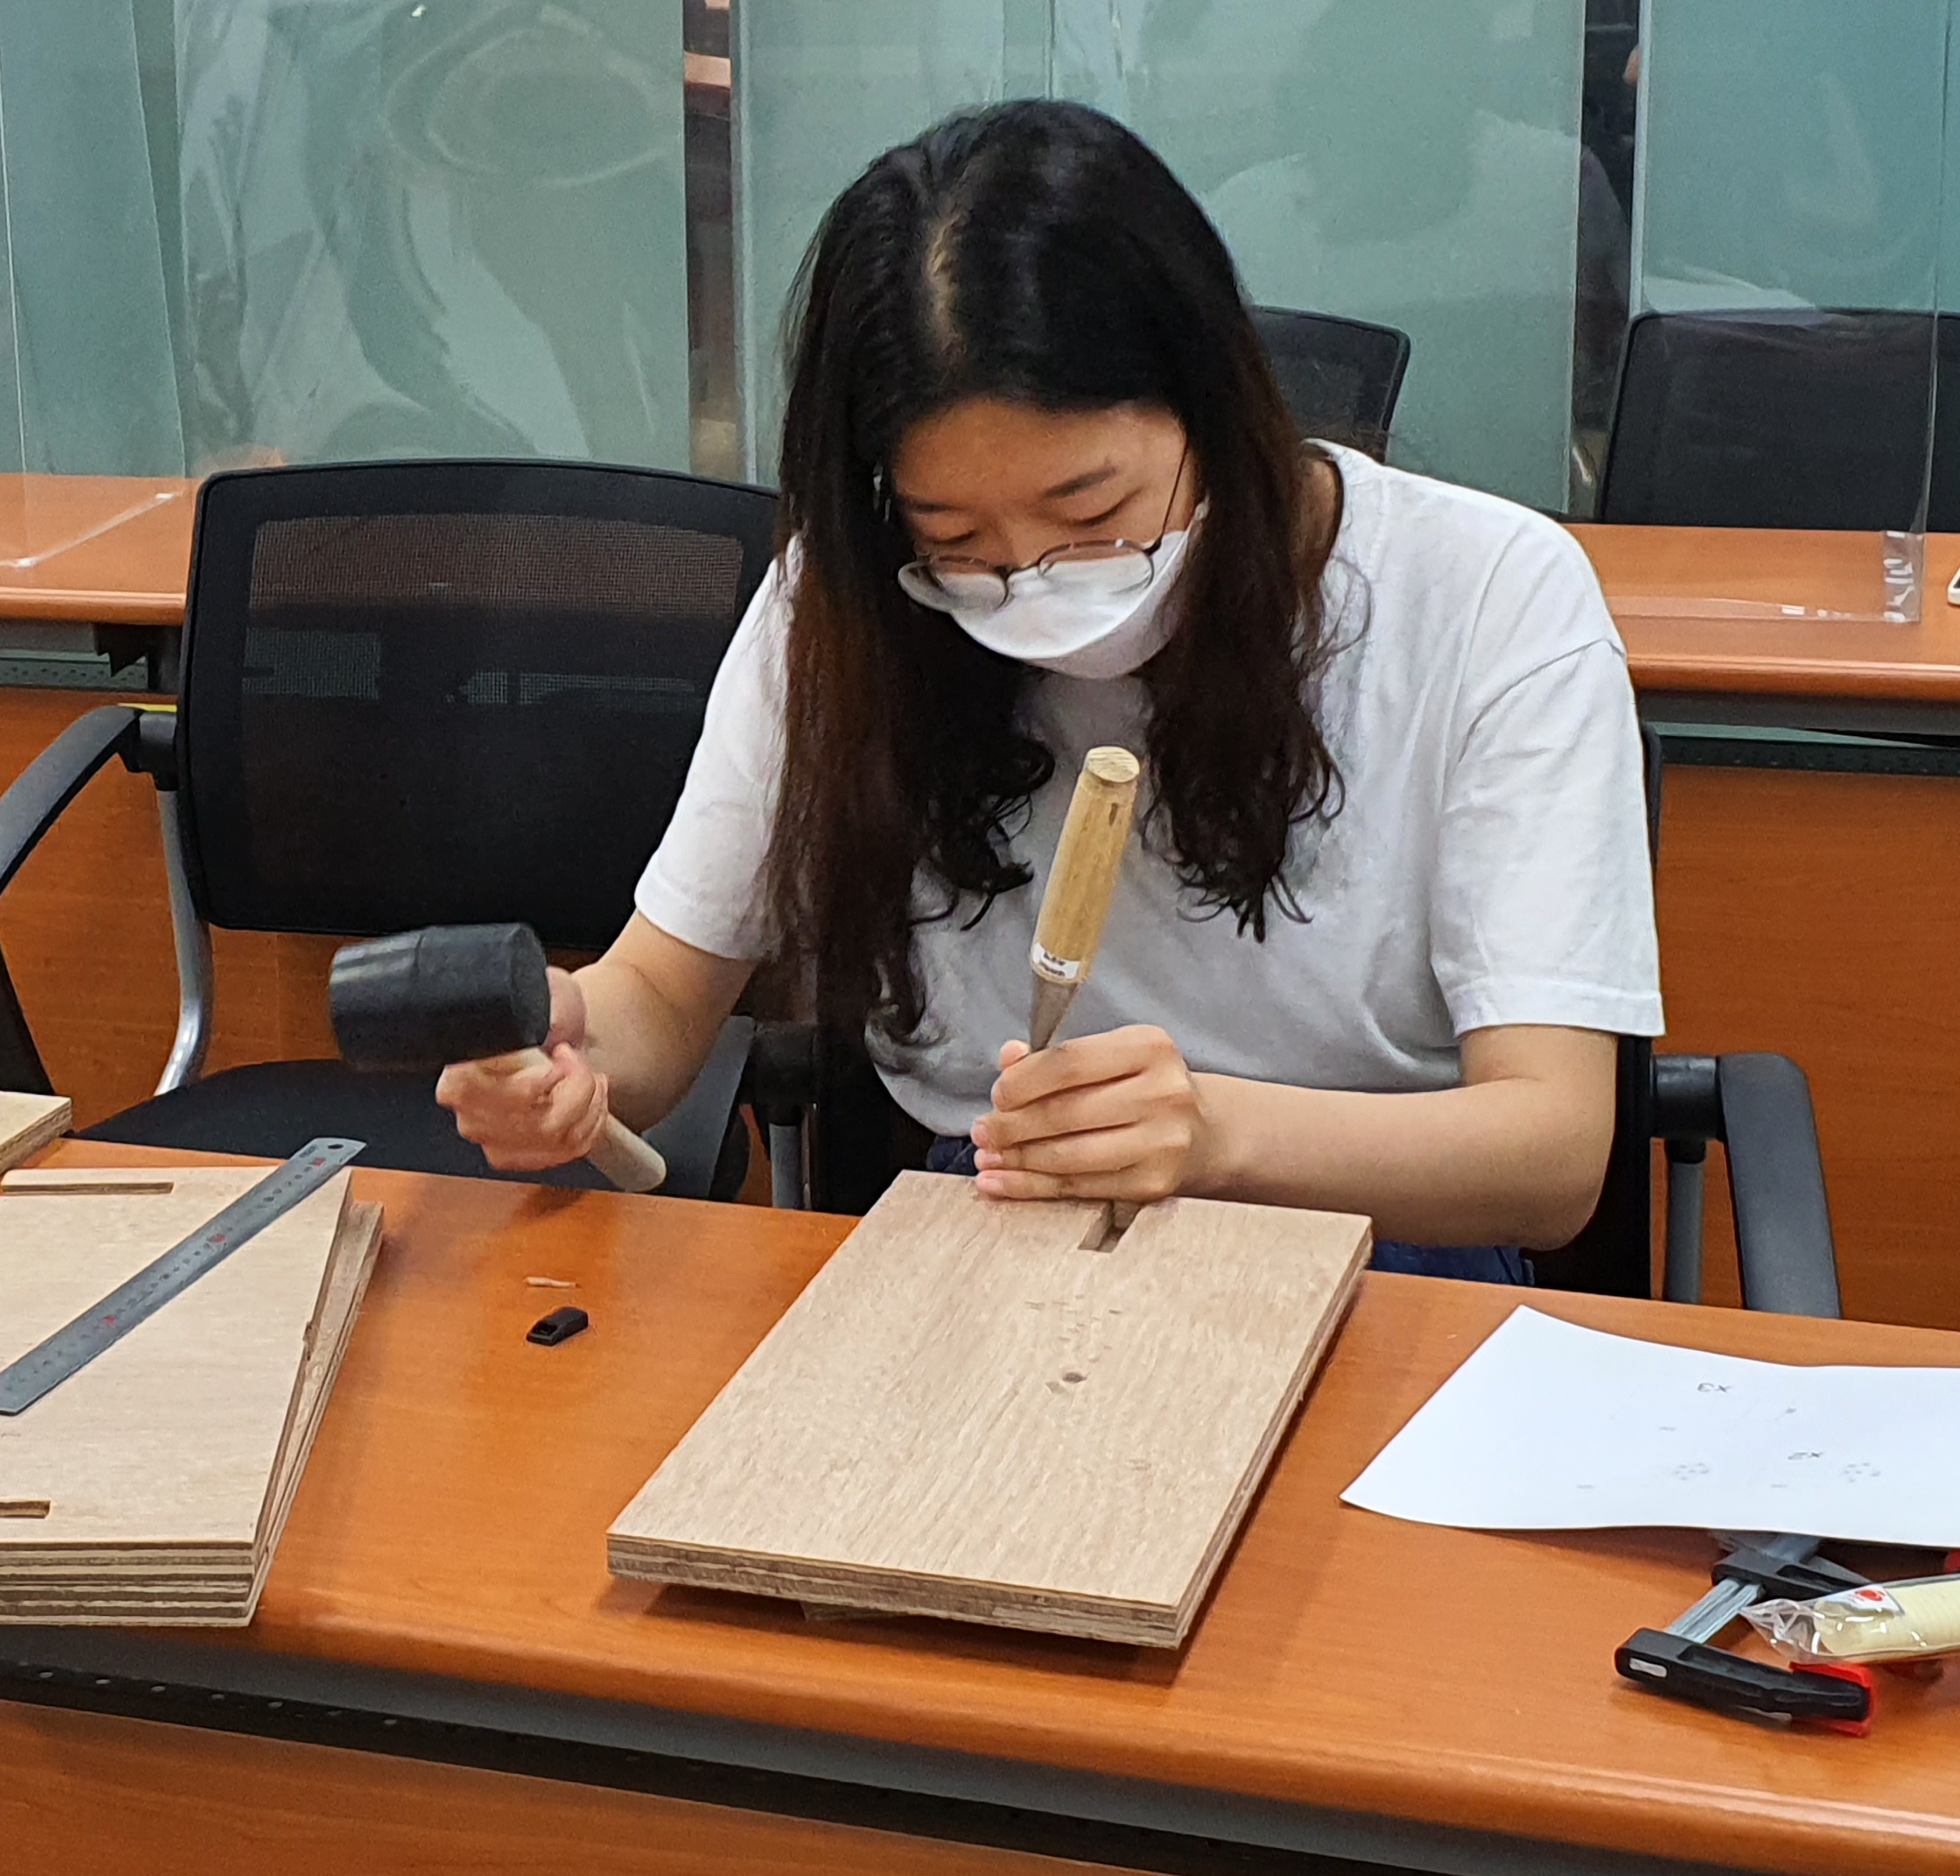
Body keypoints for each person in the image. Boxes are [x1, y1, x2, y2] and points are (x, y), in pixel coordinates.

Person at [434, 101, 1660, 1277]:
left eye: (1091, 512)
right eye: (957, 540)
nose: (1031, 583)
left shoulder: (1487, 596)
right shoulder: (846, 609)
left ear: (1214, 404)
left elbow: (1550, 1153)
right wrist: (572, 1047)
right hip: (992, 1222)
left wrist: (1215, 1134)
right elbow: (658, 996)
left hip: (1377, 1233)